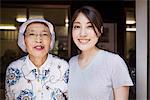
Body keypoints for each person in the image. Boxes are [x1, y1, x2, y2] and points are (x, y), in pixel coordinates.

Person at [68, 6, 133, 100]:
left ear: (100, 30)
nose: (82, 33)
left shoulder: (114, 62)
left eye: (89, 26)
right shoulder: (71, 63)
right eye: (77, 26)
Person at [5, 18, 69, 100]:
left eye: (44, 34)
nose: (38, 39)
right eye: (32, 34)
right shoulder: (13, 69)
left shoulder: (63, 67)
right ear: (24, 40)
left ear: (51, 39)